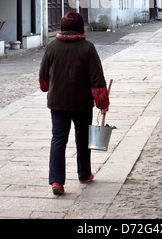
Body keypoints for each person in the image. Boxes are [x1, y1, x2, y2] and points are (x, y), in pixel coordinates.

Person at [39, 11, 110, 195]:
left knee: (58, 139)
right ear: (80, 27)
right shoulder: (88, 47)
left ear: (62, 27)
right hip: (82, 103)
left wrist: (48, 87)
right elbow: (97, 80)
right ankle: (84, 174)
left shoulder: (52, 47)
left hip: (57, 103)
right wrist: (102, 103)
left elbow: (43, 80)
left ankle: (56, 180)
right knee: (83, 139)